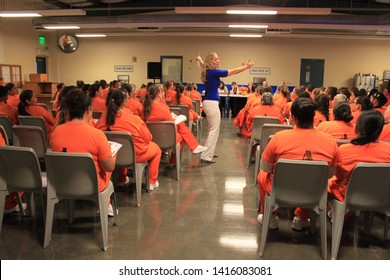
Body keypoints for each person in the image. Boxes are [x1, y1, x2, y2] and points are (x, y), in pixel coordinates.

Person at [257, 97, 340, 230]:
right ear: (314, 117)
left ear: (293, 117)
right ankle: (301, 217)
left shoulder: (279, 137)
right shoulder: (330, 141)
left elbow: (265, 167)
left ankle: (271, 217)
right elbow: (330, 174)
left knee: (262, 175)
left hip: (280, 190)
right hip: (314, 193)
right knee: (315, 179)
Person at [50, 89, 116, 215]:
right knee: (109, 160)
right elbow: (109, 167)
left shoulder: (56, 132)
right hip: (92, 186)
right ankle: (105, 205)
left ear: (67, 110)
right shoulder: (97, 135)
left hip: (63, 182)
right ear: (89, 110)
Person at [96, 89, 162, 191]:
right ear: (124, 102)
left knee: (121, 144)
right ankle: (151, 182)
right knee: (157, 150)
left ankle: (121, 180)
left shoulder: (104, 117)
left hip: (110, 156)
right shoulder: (134, 119)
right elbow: (148, 137)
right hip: (134, 154)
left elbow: (98, 133)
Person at [196, 52, 255, 163]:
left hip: (209, 103)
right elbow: (232, 71)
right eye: (215, 60)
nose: (218, 61)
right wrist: (246, 67)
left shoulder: (208, 71)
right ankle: (206, 156)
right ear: (210, 62)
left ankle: (208, 153)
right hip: (211, 104)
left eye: (218, 59)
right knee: (214, 130)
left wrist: (200, 60)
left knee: (211, 129)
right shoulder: (214, 72)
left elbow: (205, 65)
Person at [328, 110, 390, 202]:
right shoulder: (388, 150)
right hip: (379, 196)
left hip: (347, 196)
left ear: (358, 127)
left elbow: (337, 173)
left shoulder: (344, 149)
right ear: (380, 129)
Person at [143, 85, 207, 157]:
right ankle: (175, 162)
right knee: (181, 132)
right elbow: (173, 126)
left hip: (150, 137)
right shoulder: (163, 109)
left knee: (181, 126)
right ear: (158, 94)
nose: (164, 93)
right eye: (162, 92)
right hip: (165, 138)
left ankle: (194, 146)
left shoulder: (144, 107)